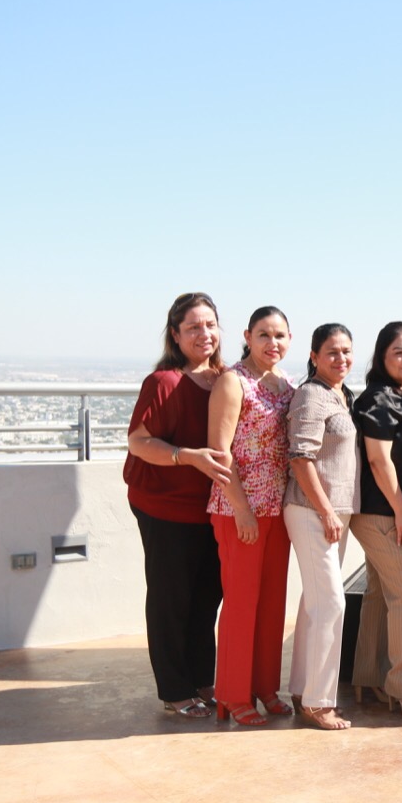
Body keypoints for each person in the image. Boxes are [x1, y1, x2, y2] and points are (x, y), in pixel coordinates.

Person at [125, 292, 230, 719]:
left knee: (207, 597)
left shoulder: (226, 378)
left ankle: (203, 679)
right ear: (175, 335)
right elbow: (138, 442)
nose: (203, 334)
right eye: (192, 327)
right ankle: (174, 689)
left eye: (209, 325)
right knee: (172, 598)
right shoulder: (164, 382)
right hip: (164, 506)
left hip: (209, 507)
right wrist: (187, 456)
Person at [207, 306, 296, 726]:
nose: (271, 343)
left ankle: (265, 687)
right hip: (238, 508)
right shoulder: (232, 381)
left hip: (279, 510)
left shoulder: (287, 385)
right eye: (263, 334)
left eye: (279, 335)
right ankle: (232, 694)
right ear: (247, 335)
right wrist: (242, 509)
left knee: (272, 604)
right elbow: (219, 453)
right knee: (242, 604)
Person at [350, 322, 402, 719]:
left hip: (388, 513)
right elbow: (378, 461)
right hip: (384, 514)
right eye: (399, 352)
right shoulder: (380, 399)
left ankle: (368, 675)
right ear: (382, 357)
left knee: (381, 595)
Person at [284, 323, 360, 731]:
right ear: (313, 356)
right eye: (332, 351)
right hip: (312, 511)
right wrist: (327, 511)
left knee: (315, 604)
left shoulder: (339, 395)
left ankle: (301, 689)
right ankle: (318, 702)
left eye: (347, 351)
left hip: (332, 512)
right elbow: (300, 457)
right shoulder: (312, 395)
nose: (341, 358)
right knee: (331, 603)